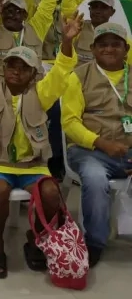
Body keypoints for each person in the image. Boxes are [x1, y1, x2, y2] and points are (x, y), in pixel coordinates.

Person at [0, 14, 81, 279]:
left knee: (52, 192)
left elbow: (61, 70)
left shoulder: (41, 93)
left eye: (24, 67)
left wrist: (67, 42)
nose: (16, 71)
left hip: (32, 165)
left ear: (33, 73)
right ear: (3, 67)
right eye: (11, 65)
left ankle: (36, 238)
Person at [62, 22, 132, 267]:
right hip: (89, 151)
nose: (109, 49)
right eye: (103, 45)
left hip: (128, 150)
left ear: (126, 48)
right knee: (94, 178)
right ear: (92, 49)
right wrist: (101, 143)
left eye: (115, 44)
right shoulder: (78, 77)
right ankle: (95, 242)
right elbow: (69, 122)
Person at [72, 0, 132, 65]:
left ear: (112, 12)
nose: (98, 11)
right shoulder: (77, 29)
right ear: (89, 9)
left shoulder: (121, 36)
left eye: (104, 7)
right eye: (95, 7)